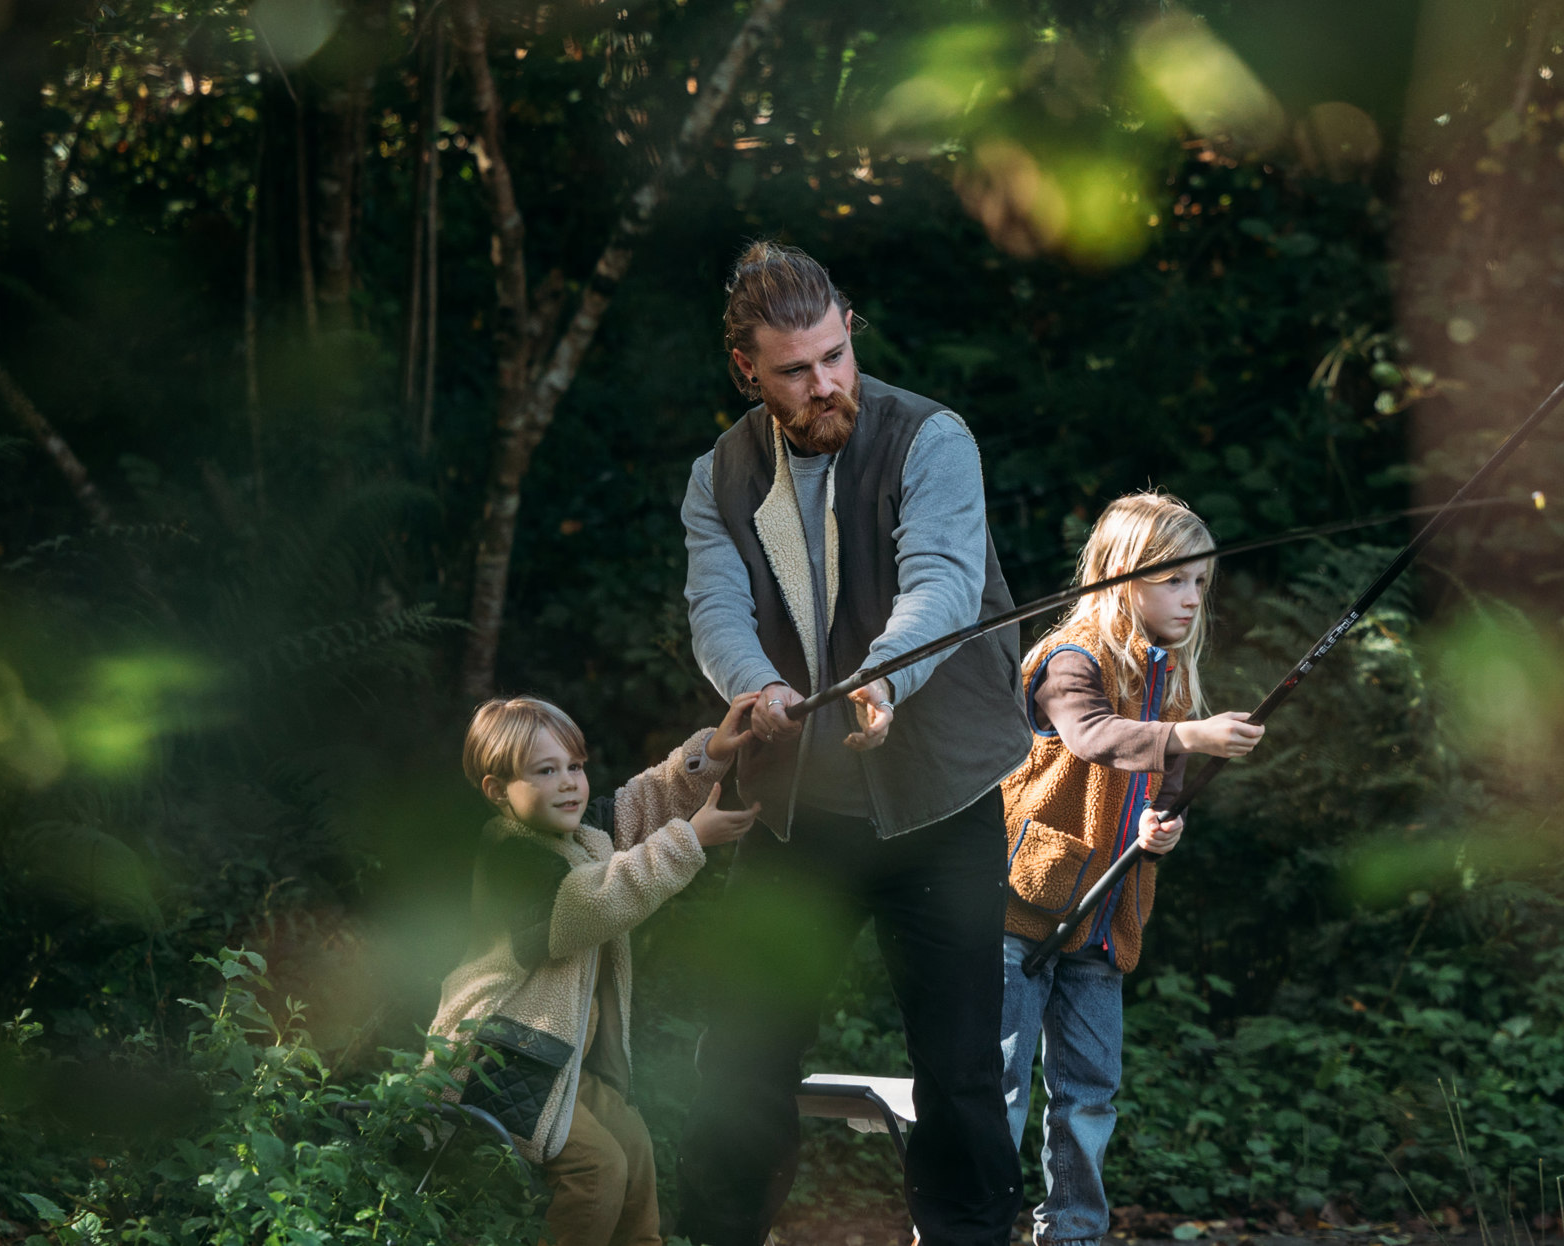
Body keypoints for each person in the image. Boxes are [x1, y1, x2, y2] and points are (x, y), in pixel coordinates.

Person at [675, 240, 1030, 1246]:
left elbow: (943, 583)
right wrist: (753, 689)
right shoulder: (719, 475)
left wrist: (883, 679)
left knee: (961, 1073)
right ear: (747, 369)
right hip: (795, 817)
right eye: (796, 368)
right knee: (738, 1060)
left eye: (836, 354)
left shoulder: (934, 439)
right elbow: (716, 608)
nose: (826, 381)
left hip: (938, 805)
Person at [997, 491, 1266, 1246]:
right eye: (1175, 580)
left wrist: (1163, 824)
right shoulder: (1067, 660)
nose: (1191, 599)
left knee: (1089, 1094)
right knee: (999, 1089)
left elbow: (1162, 782)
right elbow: (1093, 737)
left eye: (1201, 584)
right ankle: (969, 1228)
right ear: (1123, 575)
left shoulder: (1170, 678)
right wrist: (1192, 734)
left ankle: (1074, 1234)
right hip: (1023, 908)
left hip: (1107, 914)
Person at [429, 693, 764, 1246]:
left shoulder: (579, 837)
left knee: (633, 1148)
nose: (569, 783)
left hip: (558, 1064)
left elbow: (640, 805)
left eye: (575, 767)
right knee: (596, 1168)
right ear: (497, 792)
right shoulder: (514, 858)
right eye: (546, 771)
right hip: (496, 1059)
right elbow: (589, 906)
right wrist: (690, 840)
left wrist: (707, 755)